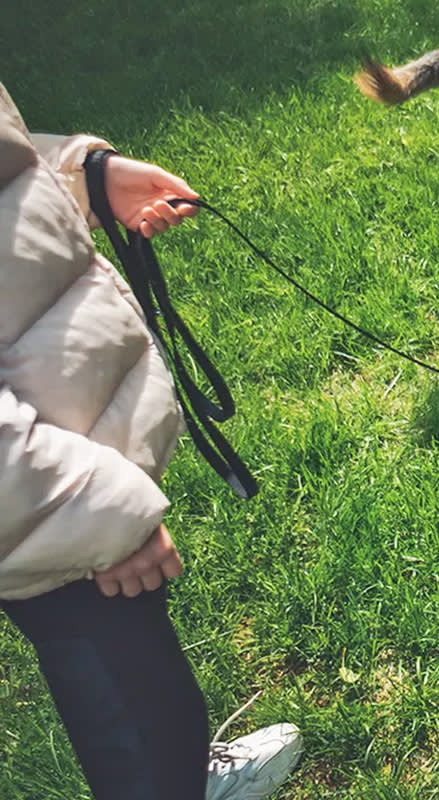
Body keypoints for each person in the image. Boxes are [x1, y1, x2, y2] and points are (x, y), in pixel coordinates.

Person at [0, 83, 301, 800]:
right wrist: (85, 515)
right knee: (139, 715)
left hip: (47, 466)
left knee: (143, 690)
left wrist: (79, 175)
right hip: (40, 493)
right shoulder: (72, 516)